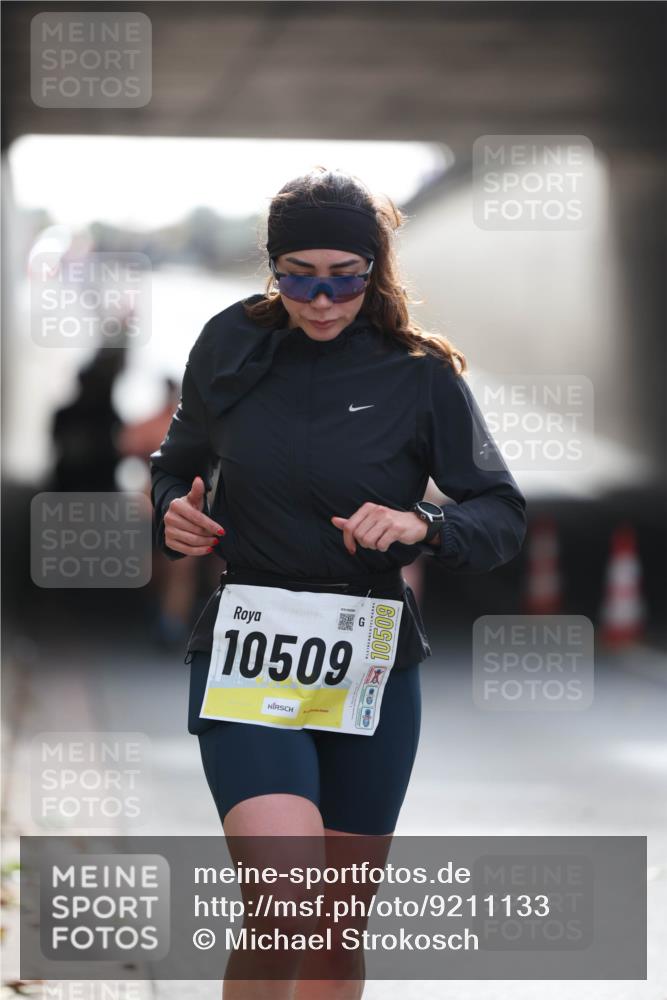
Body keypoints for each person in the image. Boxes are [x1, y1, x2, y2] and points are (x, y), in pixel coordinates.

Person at [149, 167, 527, 999]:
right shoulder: (228, 342)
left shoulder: (420, 374)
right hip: (252, 650)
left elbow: (502, 513)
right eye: (298, 278)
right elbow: (173, 464)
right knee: (283, 903)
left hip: (370, 663)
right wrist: (172, 508)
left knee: (331, 932)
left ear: (373, 271)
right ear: (273, 269)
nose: (320, 300)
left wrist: (424, 525)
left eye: (343, 280)